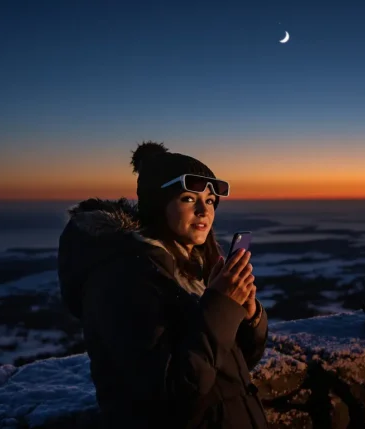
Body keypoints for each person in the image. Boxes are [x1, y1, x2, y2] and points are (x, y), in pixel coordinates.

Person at [57, 141, 269, 428]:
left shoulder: (189, 268)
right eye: (189, 199)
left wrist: (247, 314)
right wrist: (221, 306)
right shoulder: (123, 278)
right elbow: (170, 394)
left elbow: (231, 364)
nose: (204, 212)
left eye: (209, 201)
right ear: (159, 205)